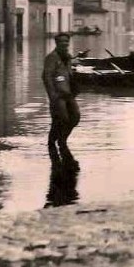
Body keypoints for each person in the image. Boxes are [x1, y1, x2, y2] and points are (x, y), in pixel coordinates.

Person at [44, 32, 81, 168]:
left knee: (75, 117)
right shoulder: (51, 58)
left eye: (67, 42)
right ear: (57, 43)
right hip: (58, 95)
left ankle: (62, 139)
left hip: (69, 94)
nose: (65, 44)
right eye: (62, 42)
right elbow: (46, 77)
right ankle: (52, 142)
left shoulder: (67, 58)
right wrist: (52, 95)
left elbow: (69, 74)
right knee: (61, 119)